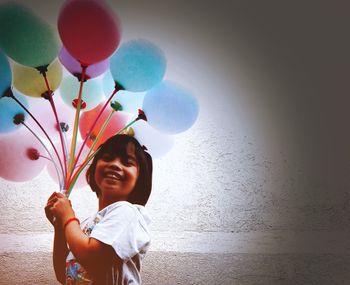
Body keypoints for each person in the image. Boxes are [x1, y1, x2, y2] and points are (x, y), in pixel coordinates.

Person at [44, 134, 153, 285]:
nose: (115, 164)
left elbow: (94, 259)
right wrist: (60, 226)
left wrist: (68, 218)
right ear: (94, 169)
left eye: (127, 162)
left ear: (139, 179)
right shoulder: (86, 225)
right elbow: (64, 275)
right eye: (107, 158)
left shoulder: (127, 213)